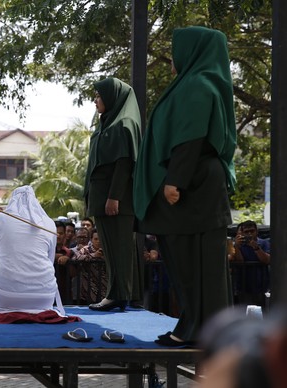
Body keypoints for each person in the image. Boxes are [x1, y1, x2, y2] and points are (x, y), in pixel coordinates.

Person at [133, 27, 237, 346]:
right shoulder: (202, 83)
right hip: (199, 184)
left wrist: (175, 180)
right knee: (194, 263)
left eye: (178, 50)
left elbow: (191, 137)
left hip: (192, 186)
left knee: (194, 262)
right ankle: (196, 328)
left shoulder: (197, 85)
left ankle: (201, 331)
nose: (173, 59)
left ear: (193, 51)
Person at [84, 77, 142, 312]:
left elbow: (124, 162)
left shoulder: (124, 123)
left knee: (120, 248)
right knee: (111, 249)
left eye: (99, 96)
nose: (96, 101)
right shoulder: (106, 124)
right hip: (102, 197)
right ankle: (119, 294)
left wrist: (114, 197)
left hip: (115, 200)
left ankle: (119, 295)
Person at [0, 186, 65, 315]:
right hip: (44, 296)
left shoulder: (0, 219)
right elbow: (49, 258)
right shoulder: (48, 223)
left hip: (5, 295)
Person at [229, 220, 270, 307]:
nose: (250, 234)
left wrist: (256, 247)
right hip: (243, 286)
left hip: (261, 286)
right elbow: (240, 261)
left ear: (257, 231)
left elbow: (266, 260)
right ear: (242, 233)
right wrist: (237, 247)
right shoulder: (239, 244)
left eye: (252, 231)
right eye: (246, 232)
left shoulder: (264, 242)